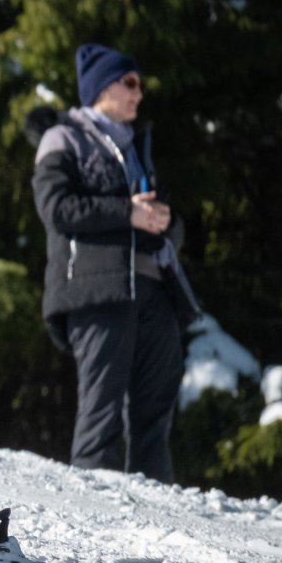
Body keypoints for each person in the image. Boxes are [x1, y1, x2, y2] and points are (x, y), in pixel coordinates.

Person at [28, 43, 200, 483]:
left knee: (157, 410)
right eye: (130, 83)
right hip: (97, 289)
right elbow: (57, 208)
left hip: (155, 289)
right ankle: (95, 519)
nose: (138, 93)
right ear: (102, 86)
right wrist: (128, 213)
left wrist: (165, 220)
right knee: (102, 410)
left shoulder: (134, 145)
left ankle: (158, 511)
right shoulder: (62, 136)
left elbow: (162, 222)